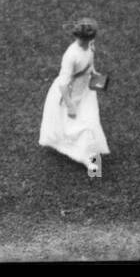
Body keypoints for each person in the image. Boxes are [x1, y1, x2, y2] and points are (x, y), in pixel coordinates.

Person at [38, 18, 109, 179]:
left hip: (85, 92)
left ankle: (91, 162)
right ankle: (80, 154)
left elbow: (90, 63)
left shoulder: (90, 46)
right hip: (69, 95)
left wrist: (94, 73)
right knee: (70, 125)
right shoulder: (71, 55)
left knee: (90, 125)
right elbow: (63, 82)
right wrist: (70, 104)